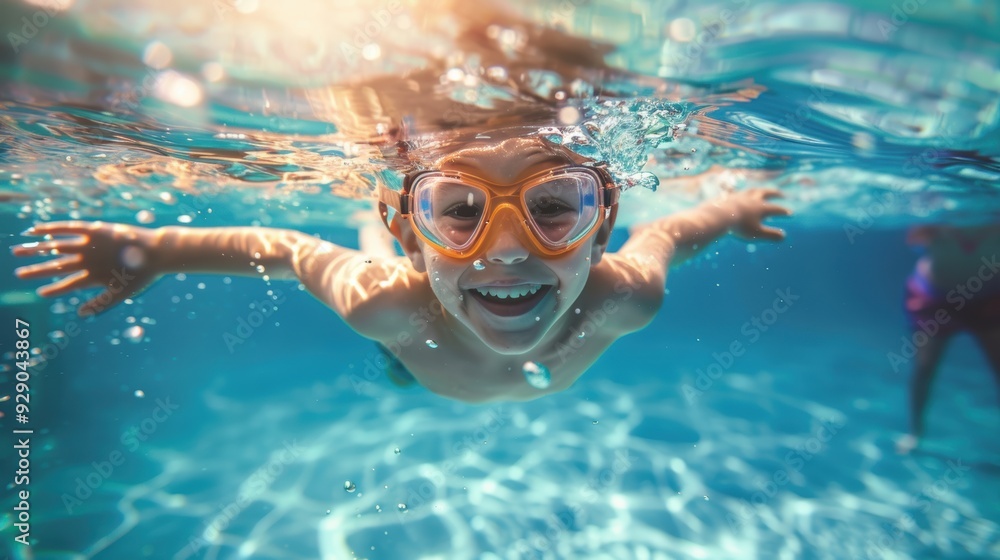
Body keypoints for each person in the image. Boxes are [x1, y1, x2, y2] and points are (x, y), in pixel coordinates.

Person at [13, 135, 790, 403]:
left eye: (556, 207)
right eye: (457, 211)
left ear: (602, 225)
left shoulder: (629, 295)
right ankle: (380, 227)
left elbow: (676, 230)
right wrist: (152, 251)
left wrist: (735, 211)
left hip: (439, 318)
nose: (510, 248)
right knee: (393, 349)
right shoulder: (384, 309)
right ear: (414, 235)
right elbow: (289, 251)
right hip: (412, 352)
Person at [896, 224, 1000, 454]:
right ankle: (916, 432)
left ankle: (915, 433)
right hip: (934, 298)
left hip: (988, 300)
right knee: (924, 369)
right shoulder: (937, 213)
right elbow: (914, 238)